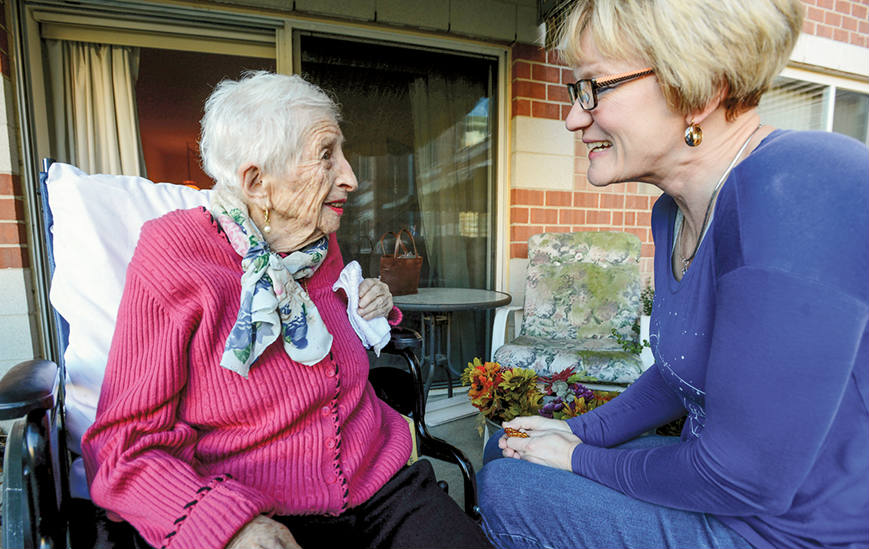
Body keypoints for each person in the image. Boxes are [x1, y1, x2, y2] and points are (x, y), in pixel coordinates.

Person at [477, 1, 868, 548]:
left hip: (788, 531)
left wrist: (577, 458)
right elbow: (679, 371)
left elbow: (742, 478)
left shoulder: (801, 185)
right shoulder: (673, 212)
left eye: (594, 87)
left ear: (699, 90)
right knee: (507, 444)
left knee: (505, 485)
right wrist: (573, 430)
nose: (573, 116)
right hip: (717, 487)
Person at [81, 71, 492, 549]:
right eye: (326, 155)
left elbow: (335, 328)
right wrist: (228, 524)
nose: (351, 178)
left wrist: (375, 305)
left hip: (383, 485)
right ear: (257, 184)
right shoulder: (174, 253)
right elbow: (121, 448)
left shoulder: (319, 243)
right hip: (259, 508)